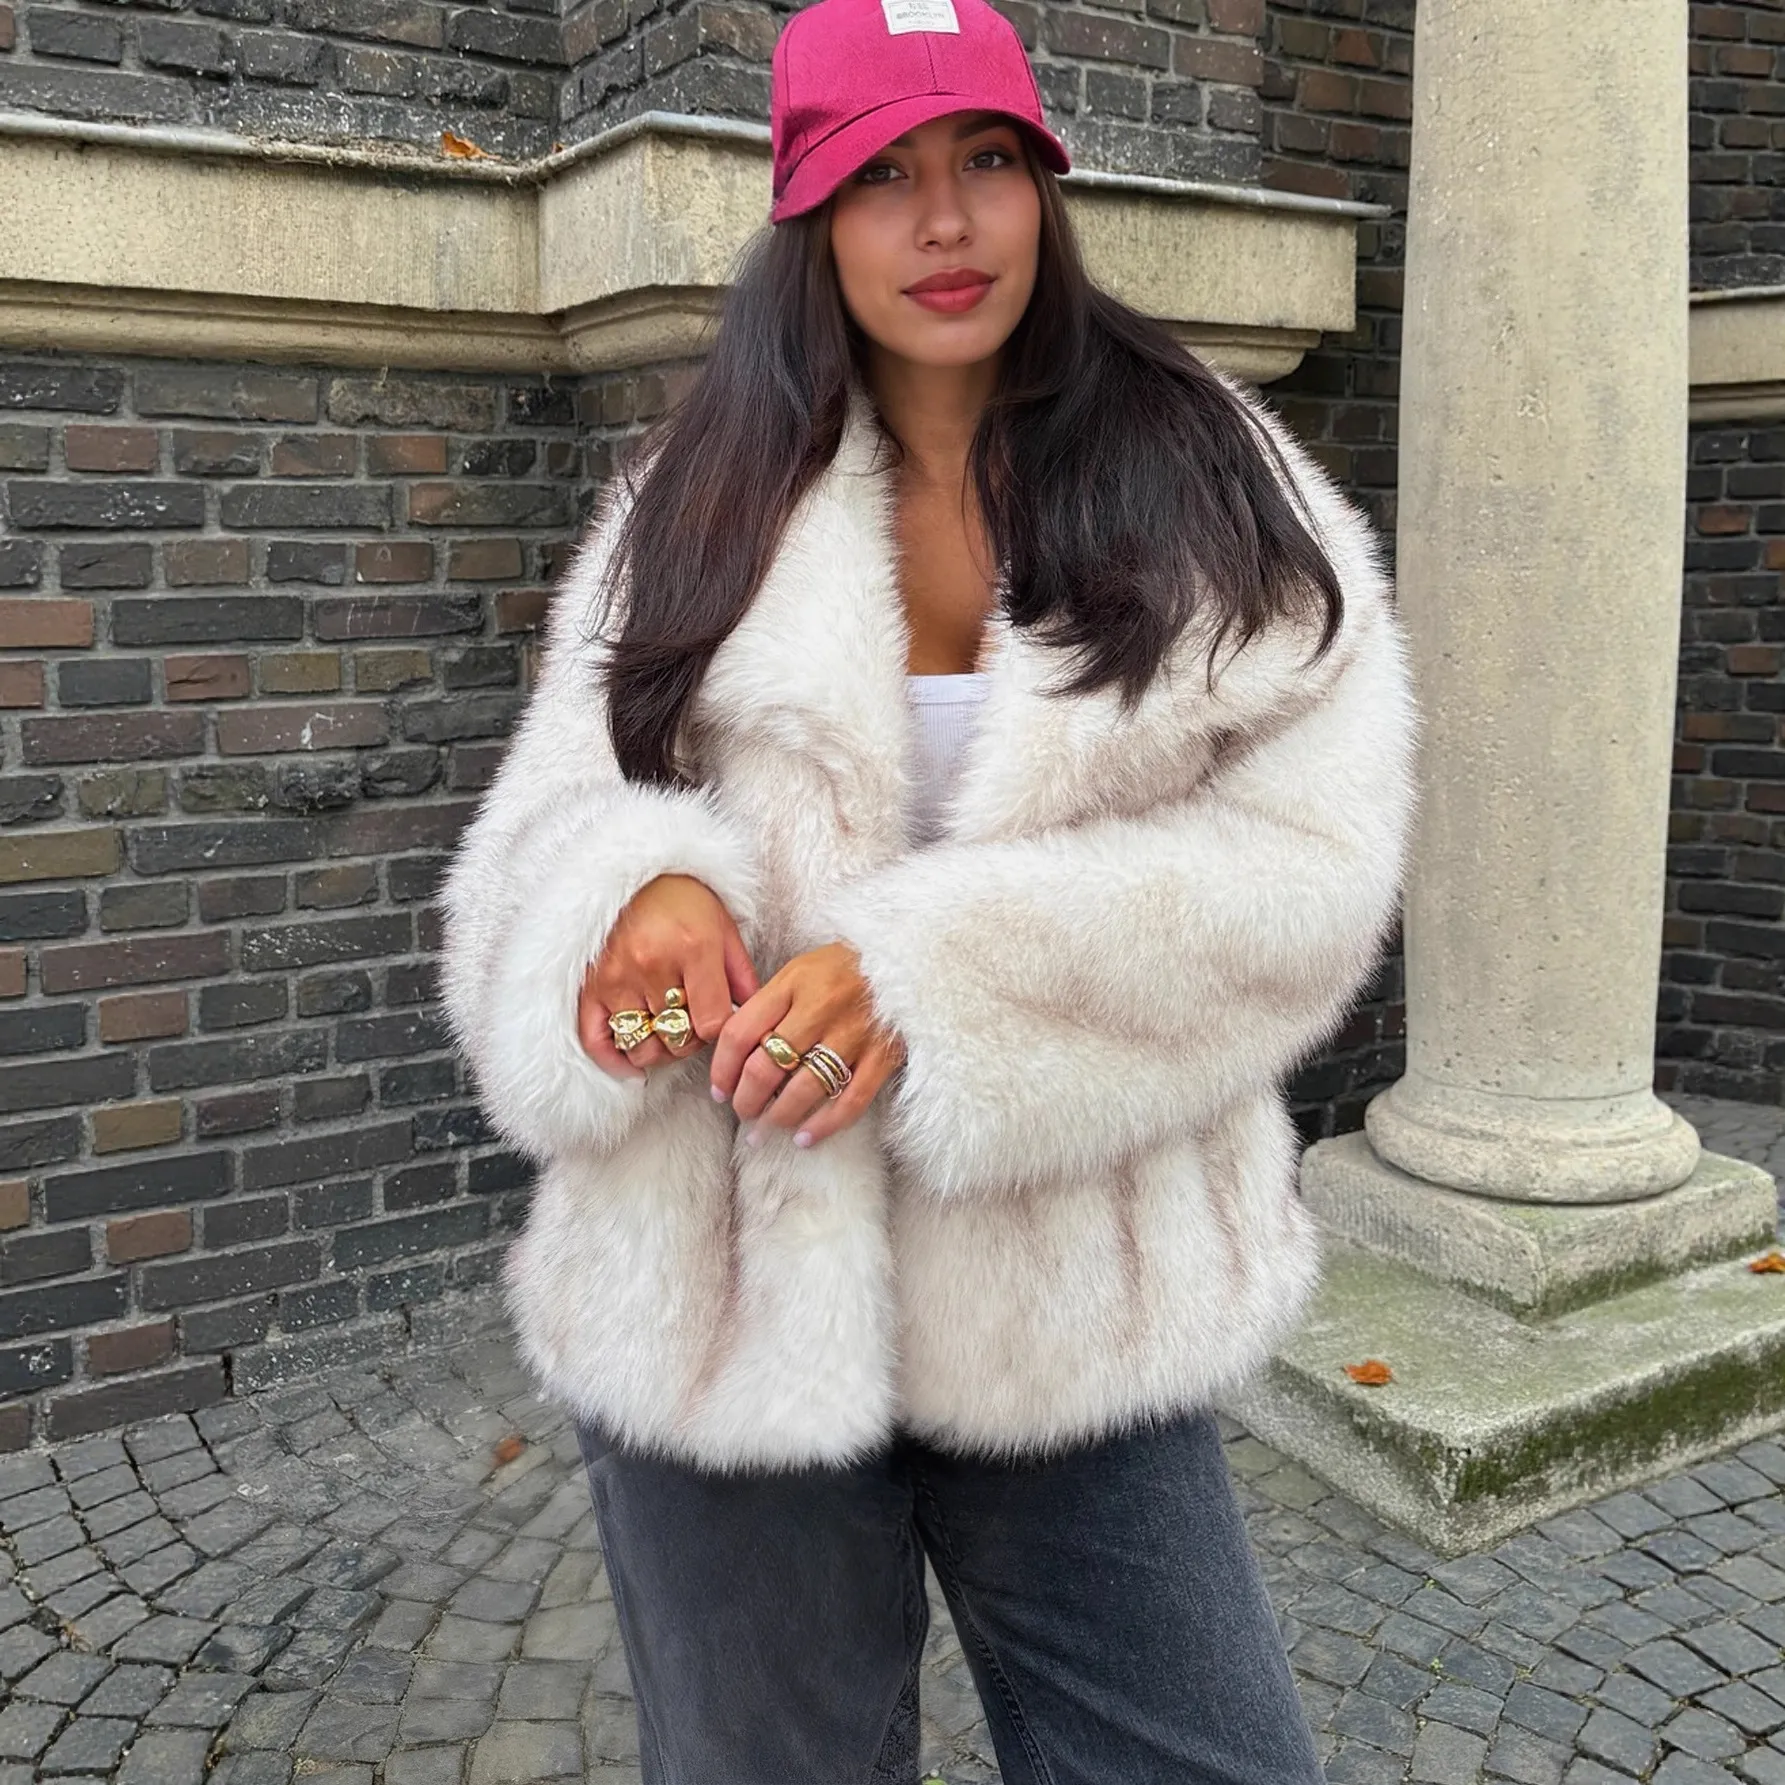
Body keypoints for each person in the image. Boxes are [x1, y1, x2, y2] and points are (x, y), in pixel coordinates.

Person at [439, 0, 1419, 1775]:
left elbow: (1312, 873)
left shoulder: (1210, 476)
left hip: (1077, 1287)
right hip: (724, 1290)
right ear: (809, 218)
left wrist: (929, 983)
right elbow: (539, 832)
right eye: (882, 177)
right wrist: (633, 897)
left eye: (986, 161)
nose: (947, 221)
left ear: (1046, 184)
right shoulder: (695, 500)